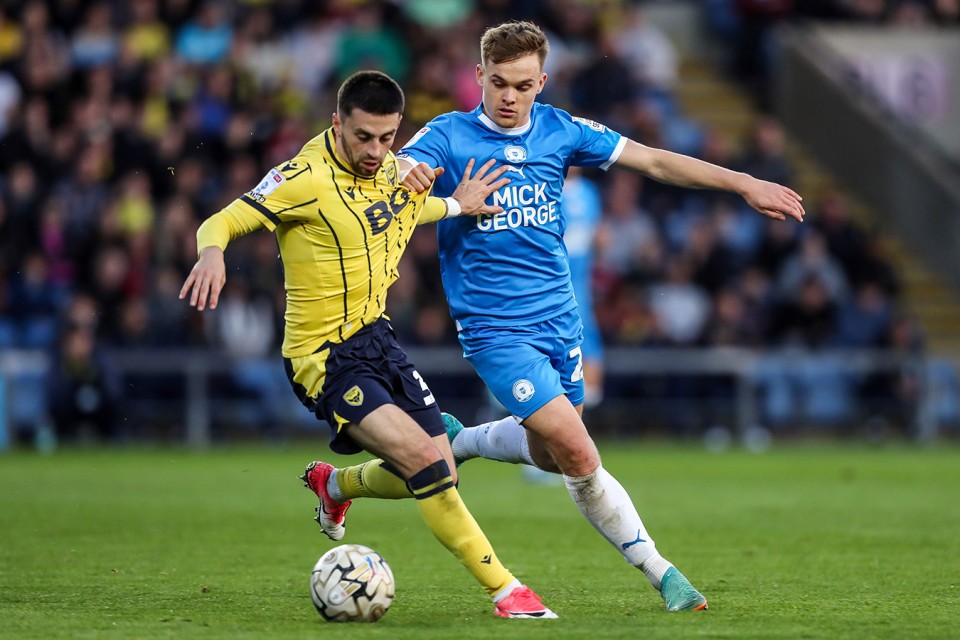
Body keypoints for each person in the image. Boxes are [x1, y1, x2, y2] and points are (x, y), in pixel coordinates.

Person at [393, 20, 804, 612]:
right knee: (581, 456)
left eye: (525, 85)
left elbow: (654, 162)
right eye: (500, 83)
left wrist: (742, 183)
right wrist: (426, 188)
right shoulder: (447, 136)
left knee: (548, 450)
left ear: (543, 82)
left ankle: (470, 440)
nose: (510, 97)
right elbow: (396, 182)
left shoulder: (561, 130)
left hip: (561, 322)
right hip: (495, 331)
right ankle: (664, 575)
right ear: (479, 76)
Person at [178, 70, 556, 620]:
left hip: (378, 340)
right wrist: (212, 251)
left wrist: (457, 204)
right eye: (363, 138)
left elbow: (399, 212)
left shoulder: (395, 170)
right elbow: (223, 219)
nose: (376, 151)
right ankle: (509, 593)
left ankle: (335, 484)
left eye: (387, 138)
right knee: (426, 464)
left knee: (440, 469)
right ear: (337, 124)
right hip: (323, 359)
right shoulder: (303, 176)